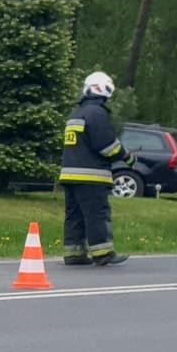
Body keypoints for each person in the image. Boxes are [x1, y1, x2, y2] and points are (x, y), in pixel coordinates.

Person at [57, 70, 131, 266]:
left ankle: (74, 254)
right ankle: (103, 253)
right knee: (96, 214)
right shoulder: (97, 113)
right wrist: (126, 157)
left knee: (75, 215)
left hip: (70, 174)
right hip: (91, 176)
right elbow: (107, 146)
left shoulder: (76, 113)